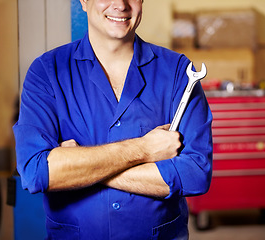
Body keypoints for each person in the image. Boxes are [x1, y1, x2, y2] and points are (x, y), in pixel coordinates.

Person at [13, 0, 213, 239]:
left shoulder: (179, 73)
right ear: (84, 1)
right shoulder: (47, 72)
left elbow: (195, 174)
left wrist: (78, 166)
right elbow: (35, 171)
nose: (120, 4)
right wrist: (144, 149)